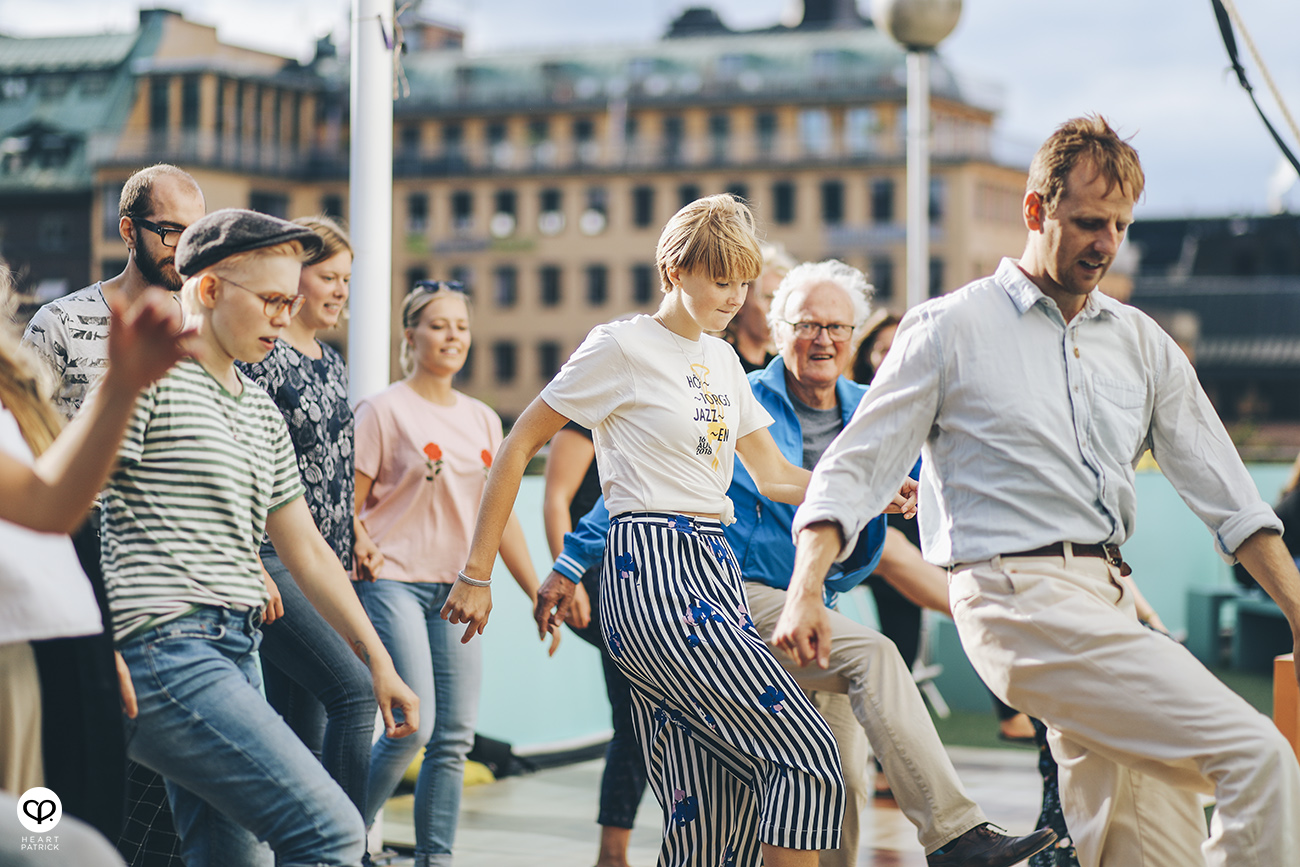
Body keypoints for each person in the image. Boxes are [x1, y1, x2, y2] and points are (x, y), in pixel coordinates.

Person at [779, 115, 1300, 866]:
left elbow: (1229, 495)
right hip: (1014, 594)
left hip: (1110, 598)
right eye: (1088, 221)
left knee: (1148, 843)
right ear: (1036, 211)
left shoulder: (1140, 341)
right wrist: (805, 587)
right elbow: (851, 470)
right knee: (1260, 758)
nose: (1105, 242)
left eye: (1119, 224)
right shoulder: (947, 328)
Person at [553, 259, 1057, 867]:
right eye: (807, 325)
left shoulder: (874, 408)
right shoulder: (734, 392)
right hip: (733, 597)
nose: (823, 339)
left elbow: (943, 485)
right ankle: (956, 835)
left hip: (820, 607)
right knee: (874, 657)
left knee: (838, 781)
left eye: (838, 328)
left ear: (854, 336)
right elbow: (645, 487)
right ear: (776, 329)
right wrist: (571, 562)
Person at [453, 195, 874, 867]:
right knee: (809, 755)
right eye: (721, 279)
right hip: (648, 569)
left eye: (743, 282)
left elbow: (775, 476)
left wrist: (871, 489)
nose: (737, 298)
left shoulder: (724, 360)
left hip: (716, 568)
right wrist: (478, 573)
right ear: (675, 269)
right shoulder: (621, 345)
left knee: (711, 816)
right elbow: (519, 443)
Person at [103, 208, 419, 867]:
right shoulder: (145, 381)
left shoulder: (257, 411)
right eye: (274, 300)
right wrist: (96, 644)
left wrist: (377, 661)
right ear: (211, 289)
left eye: (291, 300)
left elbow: (305, 550)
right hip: (163, 649)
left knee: (228, 857)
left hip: (236, 648)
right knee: (331, 832)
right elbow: (79, 512)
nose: (285, 314)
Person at [21, 163, 207, 850]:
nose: (183, 249)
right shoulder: (62, 323)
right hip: (78, 560)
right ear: (128, 229)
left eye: (197, 235)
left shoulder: (204, 330)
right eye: (170, 231)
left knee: (170, 787)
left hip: (177, 574)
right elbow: (34, 463)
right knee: (71, 772)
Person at [353, 280, 545, 867]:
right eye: (439, 325)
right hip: (393, 582)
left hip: (460, 588)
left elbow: (502, 519)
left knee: (455, 735)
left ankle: (435, 859)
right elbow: (349, 507)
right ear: (410, 335)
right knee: (413, 725)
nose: (452, 337)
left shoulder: (486, 420)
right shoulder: (382, 410)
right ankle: (328, 836)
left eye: (461, 327)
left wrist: (538, 591)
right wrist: (358, 542)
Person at [1, 273, 187, 795]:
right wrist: (122, 383)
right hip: (19, 656)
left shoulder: (10, 382)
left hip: (65, 635)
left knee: (71, 834)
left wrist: (98, 639)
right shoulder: (56, 328)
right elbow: (49, 502)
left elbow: (58, 527)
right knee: (47, 841)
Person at [237, 215, 377, 817]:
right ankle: (346, 845)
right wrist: (250, 560)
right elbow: (243, 463)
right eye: (330, 277)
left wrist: (358, 530)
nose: (342, 290)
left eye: (348, 278)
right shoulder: (261, 358)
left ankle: (305, 849)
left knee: (305, 725)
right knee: (356, 693)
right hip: (275, 560)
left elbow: (334, 462)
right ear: (294, 279)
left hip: (328, 561)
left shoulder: (330, 358)